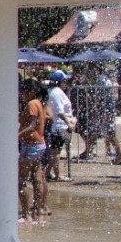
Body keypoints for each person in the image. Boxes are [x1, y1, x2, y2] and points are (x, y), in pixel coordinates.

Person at [18, 77, 49, 222]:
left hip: (30, 145)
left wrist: (16, 135)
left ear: (29, 92)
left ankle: (26, 215)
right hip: (40, 144)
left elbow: (31, 126)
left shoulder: (31, 103)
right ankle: (37, 213)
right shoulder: (40, 103)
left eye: (22, 92)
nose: (21, 95)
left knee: (21, 180)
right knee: (37, 179)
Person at [44, 70, 75, 182]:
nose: (66, 83)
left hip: (57, 126)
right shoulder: (57, 93)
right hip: (59, 126)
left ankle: (47, 172)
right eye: (64, 81)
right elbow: (59, 111)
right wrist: (69, 122)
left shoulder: (52, 91)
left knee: (55, 150)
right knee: (56, 151)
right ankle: (58, 175)